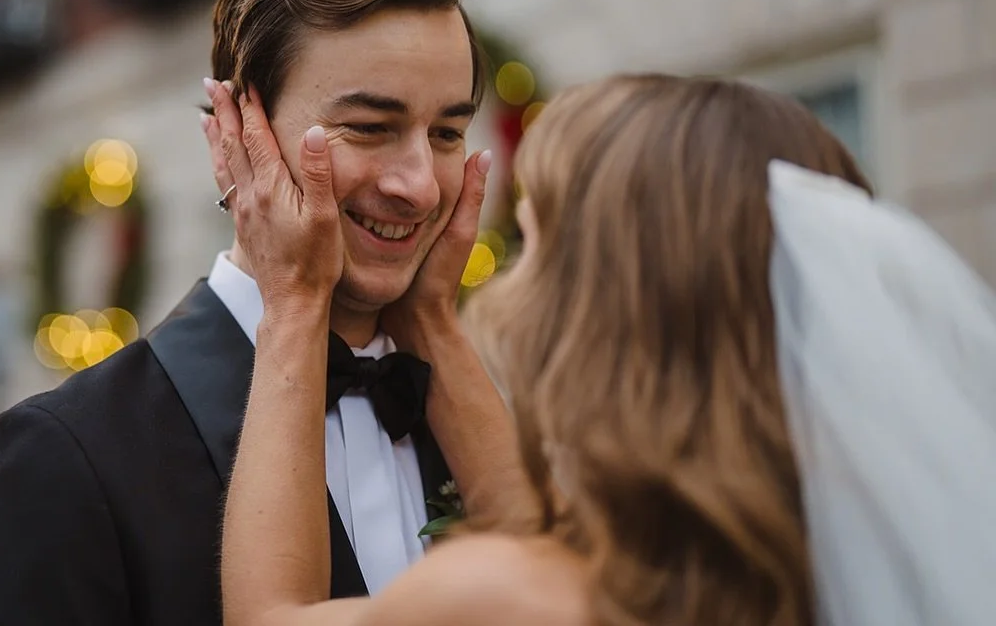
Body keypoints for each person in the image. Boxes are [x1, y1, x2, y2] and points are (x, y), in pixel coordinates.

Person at [212, 72, 996, 625]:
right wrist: (430, 322)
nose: (512, 289)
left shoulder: (509, 599)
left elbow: (275, 617)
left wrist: (295, 299)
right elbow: (544, 533)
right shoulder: (829, 557)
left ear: (608, 312)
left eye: (537, 247)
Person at [0, 0, 526, 626]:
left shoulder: (488, 427)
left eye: (445, 134)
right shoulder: (67, 453)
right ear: (236, 135)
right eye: (371, 128)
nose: (420, 187)